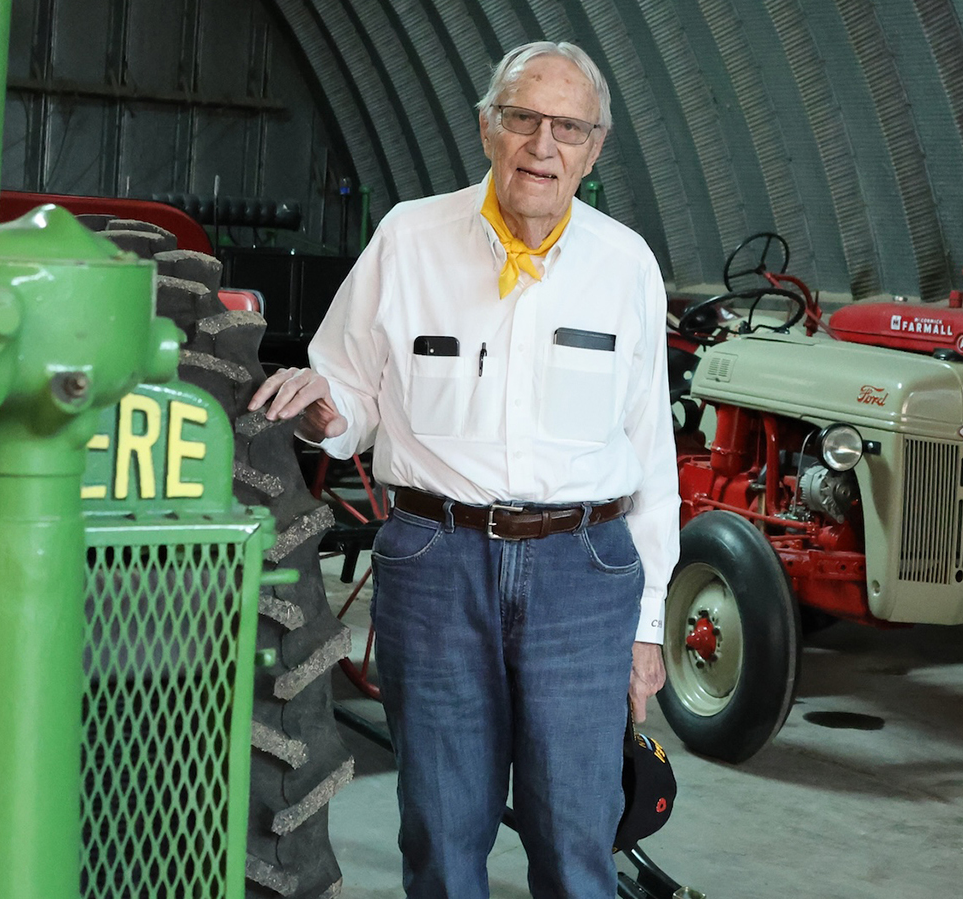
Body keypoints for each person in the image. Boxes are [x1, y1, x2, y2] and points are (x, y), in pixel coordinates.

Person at [248, 40, 678, 899]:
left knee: (575, 833)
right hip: (435, 561)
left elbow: (650, 455)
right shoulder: (409, 239)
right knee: (441, 833)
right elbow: (352, 391)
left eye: (567, 128)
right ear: (488, 127)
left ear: (594, 151)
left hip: (583, 570)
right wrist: (325, 407)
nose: (542, 145)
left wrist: (649, 622)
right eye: (523, 118)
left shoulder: (624, 264)